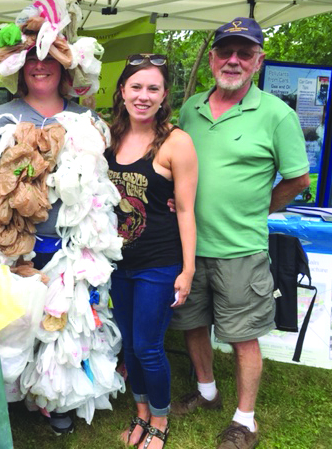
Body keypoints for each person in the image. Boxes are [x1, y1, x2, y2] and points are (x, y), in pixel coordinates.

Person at [0, 0, 117, 436]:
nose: (39, 64)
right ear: (18, 66)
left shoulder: (84, 119)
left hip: (71, 245)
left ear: (64, 65)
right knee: (16, 319)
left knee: (65, 322)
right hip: (12, 245)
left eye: (49, 55)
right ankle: (14, 395)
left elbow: (100, 186)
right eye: (31, 57)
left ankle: (58, 398)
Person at [169, 17, 310, 449]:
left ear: (258, 61)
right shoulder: (191, 107)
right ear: (212, 58)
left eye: (244, 53)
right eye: (225, 51)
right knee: (193, 323)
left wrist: (260, 208)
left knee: (242, 335)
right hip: (189, 247)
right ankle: (208, 392)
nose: (233, 60)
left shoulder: (277, 114)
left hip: (240, 249)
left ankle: (244, 420)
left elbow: (298, 179)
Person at [106, 54, 197, 448]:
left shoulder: (177, 142)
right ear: (122, 91)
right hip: (115, 263)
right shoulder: (108, 136)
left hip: (159, 264)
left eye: (153, 88)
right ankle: (141, 411)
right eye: (136, 87)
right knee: (128, 345)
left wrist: (188, 270)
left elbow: (188, 210)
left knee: (147, 345)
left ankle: (159, 419)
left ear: (164, 96)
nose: (143, 96)